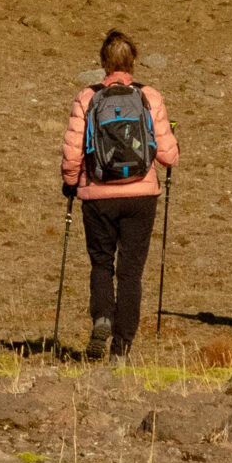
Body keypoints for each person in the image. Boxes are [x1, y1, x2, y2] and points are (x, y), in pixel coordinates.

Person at [59, 30, 180, 359]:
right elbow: (169, 156)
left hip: (97, 194)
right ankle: (121, 351)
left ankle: (102, 318)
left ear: (102, 63)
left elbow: (72, 153)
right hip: (142, 196)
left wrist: (71, 182)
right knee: (131, 272)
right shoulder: (148, 97)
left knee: (101, 265)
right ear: (133, 62)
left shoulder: (87, 97)